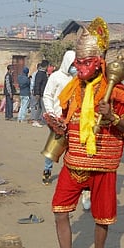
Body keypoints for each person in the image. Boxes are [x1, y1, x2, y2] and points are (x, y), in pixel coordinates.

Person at [44, 17, 124, 248]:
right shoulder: (73, 88)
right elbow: (66, 117)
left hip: (104, 163)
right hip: (74, 161)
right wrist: (57, 124)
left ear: (100, 62)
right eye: (78, 64)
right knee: (60, 210)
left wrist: (114, 118)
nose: (80, 68)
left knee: (102, 218)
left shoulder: (117, 90)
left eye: (87, 63)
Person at [41, 50, 77, 184]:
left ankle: (69, 173)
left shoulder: (78, 79)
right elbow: (48, 95)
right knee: (54, 145)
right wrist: (51, 113)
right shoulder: (56, 76)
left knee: (72, 147)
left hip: (72, 118)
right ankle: (47, 170)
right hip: (57, 117)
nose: (74, 66)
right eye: (72, 63)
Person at [31, 60, 49, 127]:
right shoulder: (40, 73)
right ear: (46, 66)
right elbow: (37, 84)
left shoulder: (43, 73)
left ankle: (38, 120)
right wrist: (37, 93)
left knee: (40, 108)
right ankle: (37, 120)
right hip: (40, 93)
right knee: (42, 107)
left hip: (42, 93)